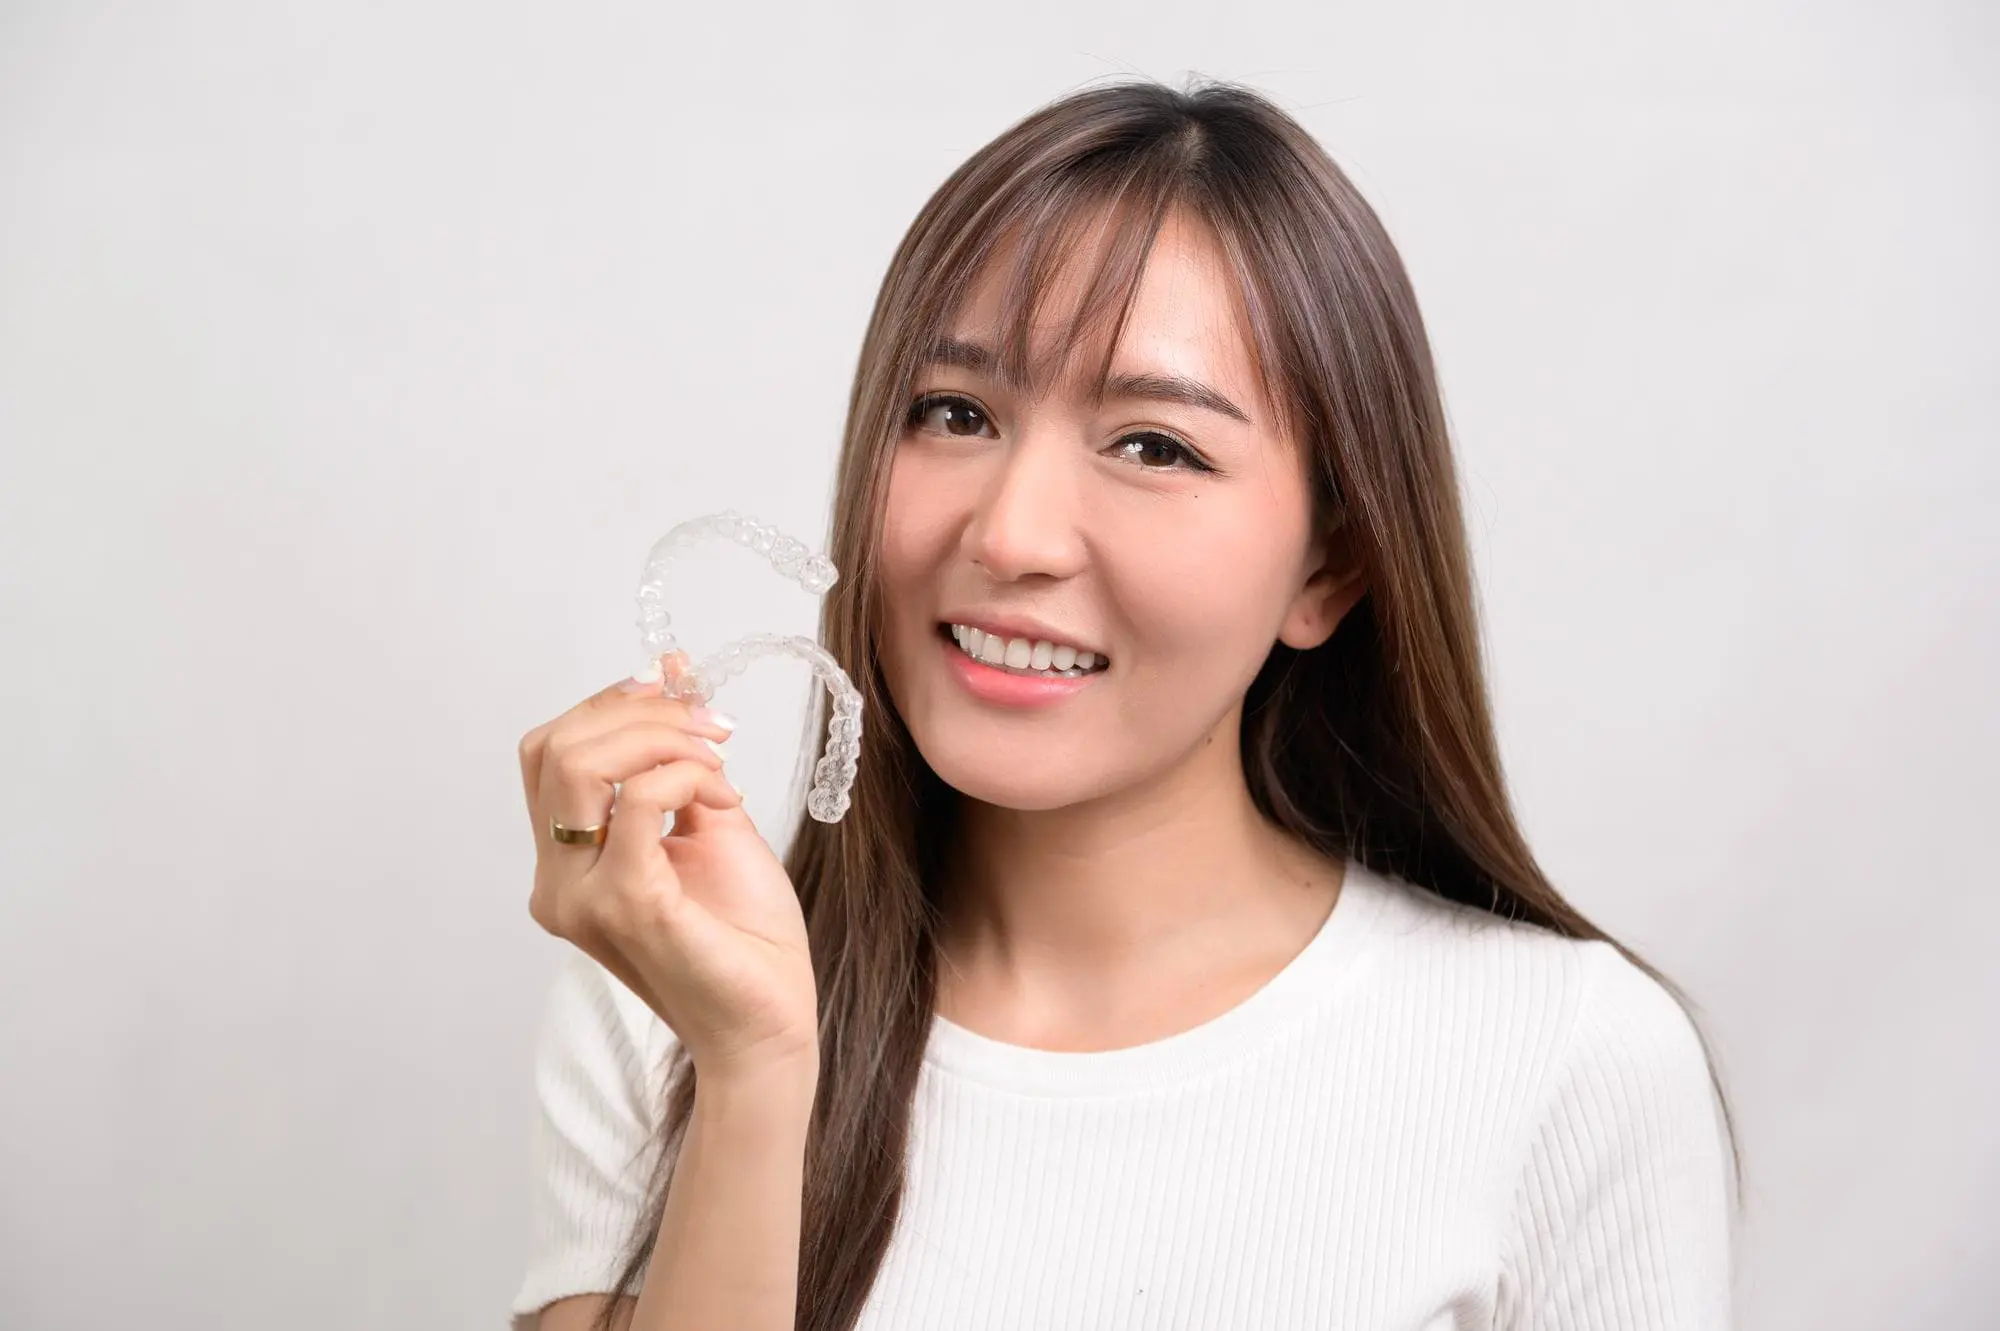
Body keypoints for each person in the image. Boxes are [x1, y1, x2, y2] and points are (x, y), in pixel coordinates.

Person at [508, 76, 1740, 1331]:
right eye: (955, 413)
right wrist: (758, 1063)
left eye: (1155, 444)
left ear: (1328, 567)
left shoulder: (1568, 1060)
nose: (1011, 533)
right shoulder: (665, 1005)